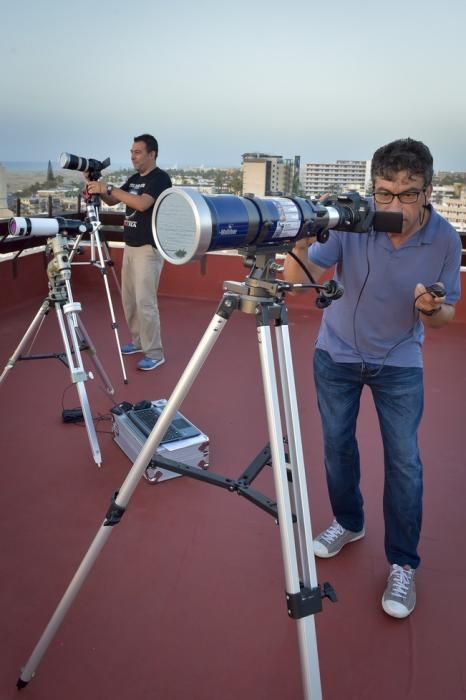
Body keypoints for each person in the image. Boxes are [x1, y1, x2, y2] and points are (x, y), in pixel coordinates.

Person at [283, 137, 462, 618]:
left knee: (404, 461)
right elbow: (304, 276)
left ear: (428, 190)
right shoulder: (354, 220)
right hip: (336, 354)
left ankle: (403, 563)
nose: (394, 204)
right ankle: (348, 521)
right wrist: (300, 234)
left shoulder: (446, 239)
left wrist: (431, 310)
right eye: (384, 193)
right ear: (373, 189)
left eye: (407, 193)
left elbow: (445, 316)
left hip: (399, 362)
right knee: (337, 445)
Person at [86, 134, 172, 371]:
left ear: (152, 154)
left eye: (137, 152)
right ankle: (137, 342)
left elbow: (143, 204)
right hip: (130, 246)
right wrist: (98, 185)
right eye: (131, 151)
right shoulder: (134, 178)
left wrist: (110, 187)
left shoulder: (160, 179)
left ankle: (155, 352)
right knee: (129, 300)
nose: (132, 156)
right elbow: (113, 201)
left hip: (148, 248)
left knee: (145, 302)